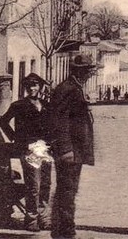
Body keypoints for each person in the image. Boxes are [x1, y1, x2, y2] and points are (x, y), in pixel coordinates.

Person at [50, 54, 96, 239]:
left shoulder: (74, 87)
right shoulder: (67, 89)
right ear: (78, 71)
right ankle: (65, 232)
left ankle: (62, 230)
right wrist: (65, 149)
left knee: (68, 191)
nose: (89, 74)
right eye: (87, 70)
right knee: (67, 192)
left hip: (75, 150)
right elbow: (59, 121)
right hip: (69, 151)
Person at [0, 73, 53, 231]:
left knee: (45, 184)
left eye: (35, 85)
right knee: (33, 185)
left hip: (44, 148)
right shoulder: (18, 105)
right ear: (25, 88)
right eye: (28, 86)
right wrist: (17, 139)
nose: (32, 88)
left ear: (40, 87)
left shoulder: (46, 105)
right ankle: (31, 220)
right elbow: (3, 122)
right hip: (29, 149)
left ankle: (43, 219)